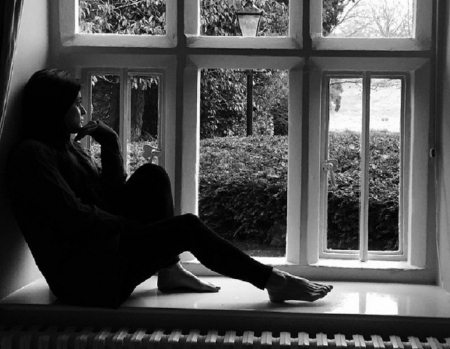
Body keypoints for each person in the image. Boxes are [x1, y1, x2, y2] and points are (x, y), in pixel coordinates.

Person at [7, 68, 332, 308]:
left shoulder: (66, 147)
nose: (82, 110)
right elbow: (75, 218)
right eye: (75, 104)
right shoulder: (32, 155)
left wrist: (110, 142)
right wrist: (138, 228)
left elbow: (112, 196)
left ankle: (171, 269)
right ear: (53, 108)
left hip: (104, 255)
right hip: (88, 280)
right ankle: (272, 281)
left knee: (152, 174)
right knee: (186, 227)